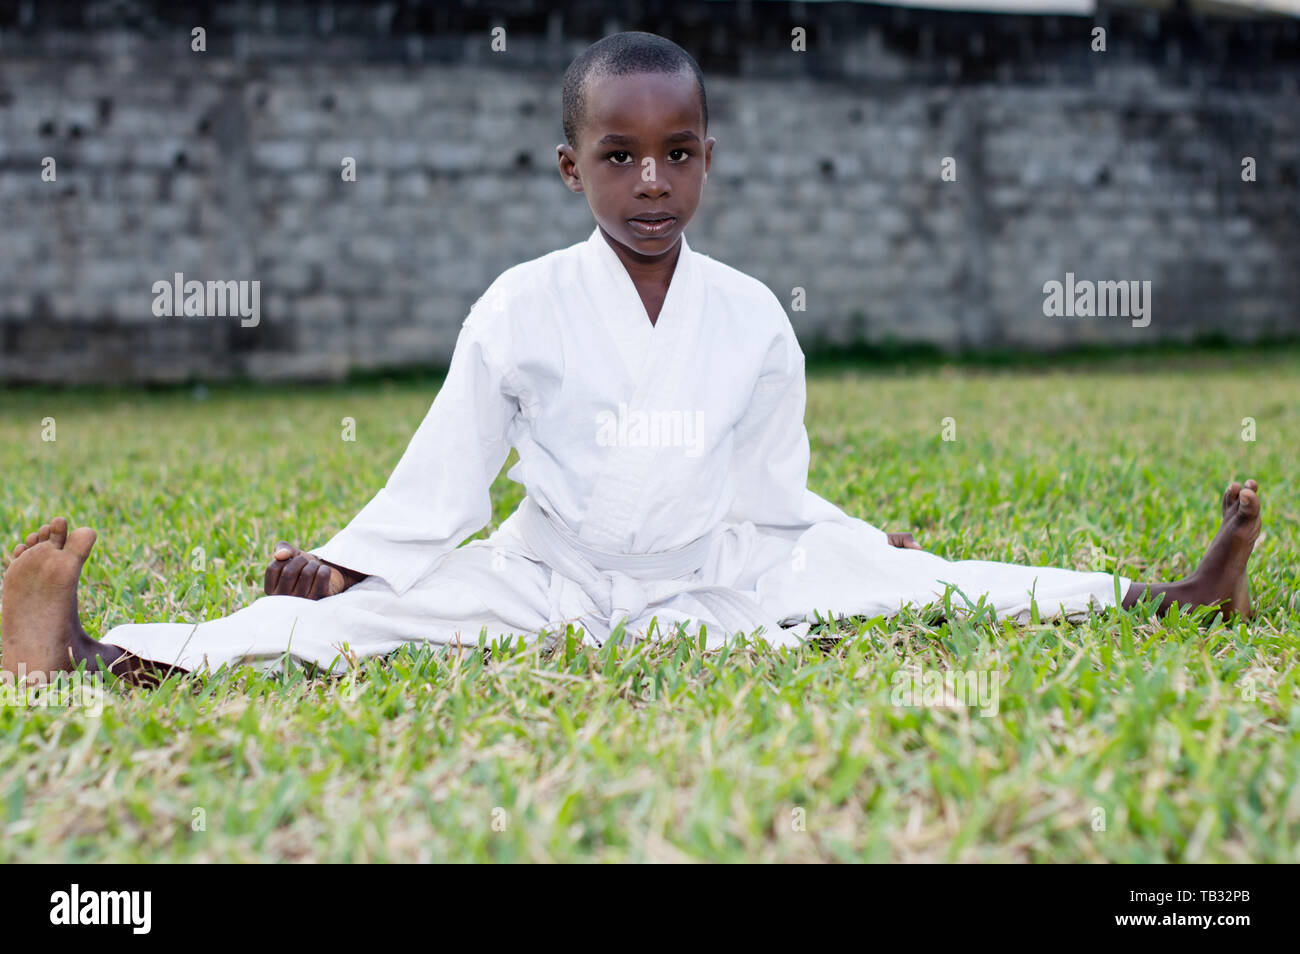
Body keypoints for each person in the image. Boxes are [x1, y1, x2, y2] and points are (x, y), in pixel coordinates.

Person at [0, 33, 1263, 686]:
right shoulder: (521, 305)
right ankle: (97, 655)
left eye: (678, 152)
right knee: (356, 625)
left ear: (708, 158)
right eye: (619, 155)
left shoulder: (754, 317)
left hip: (717, 576)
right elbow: (448, 479)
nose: (650, 181)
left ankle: (1176, 598)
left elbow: (771, 486)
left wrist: (846, 533)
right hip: (549, 573)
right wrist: (348, 559)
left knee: (931, 583)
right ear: (574, 167)